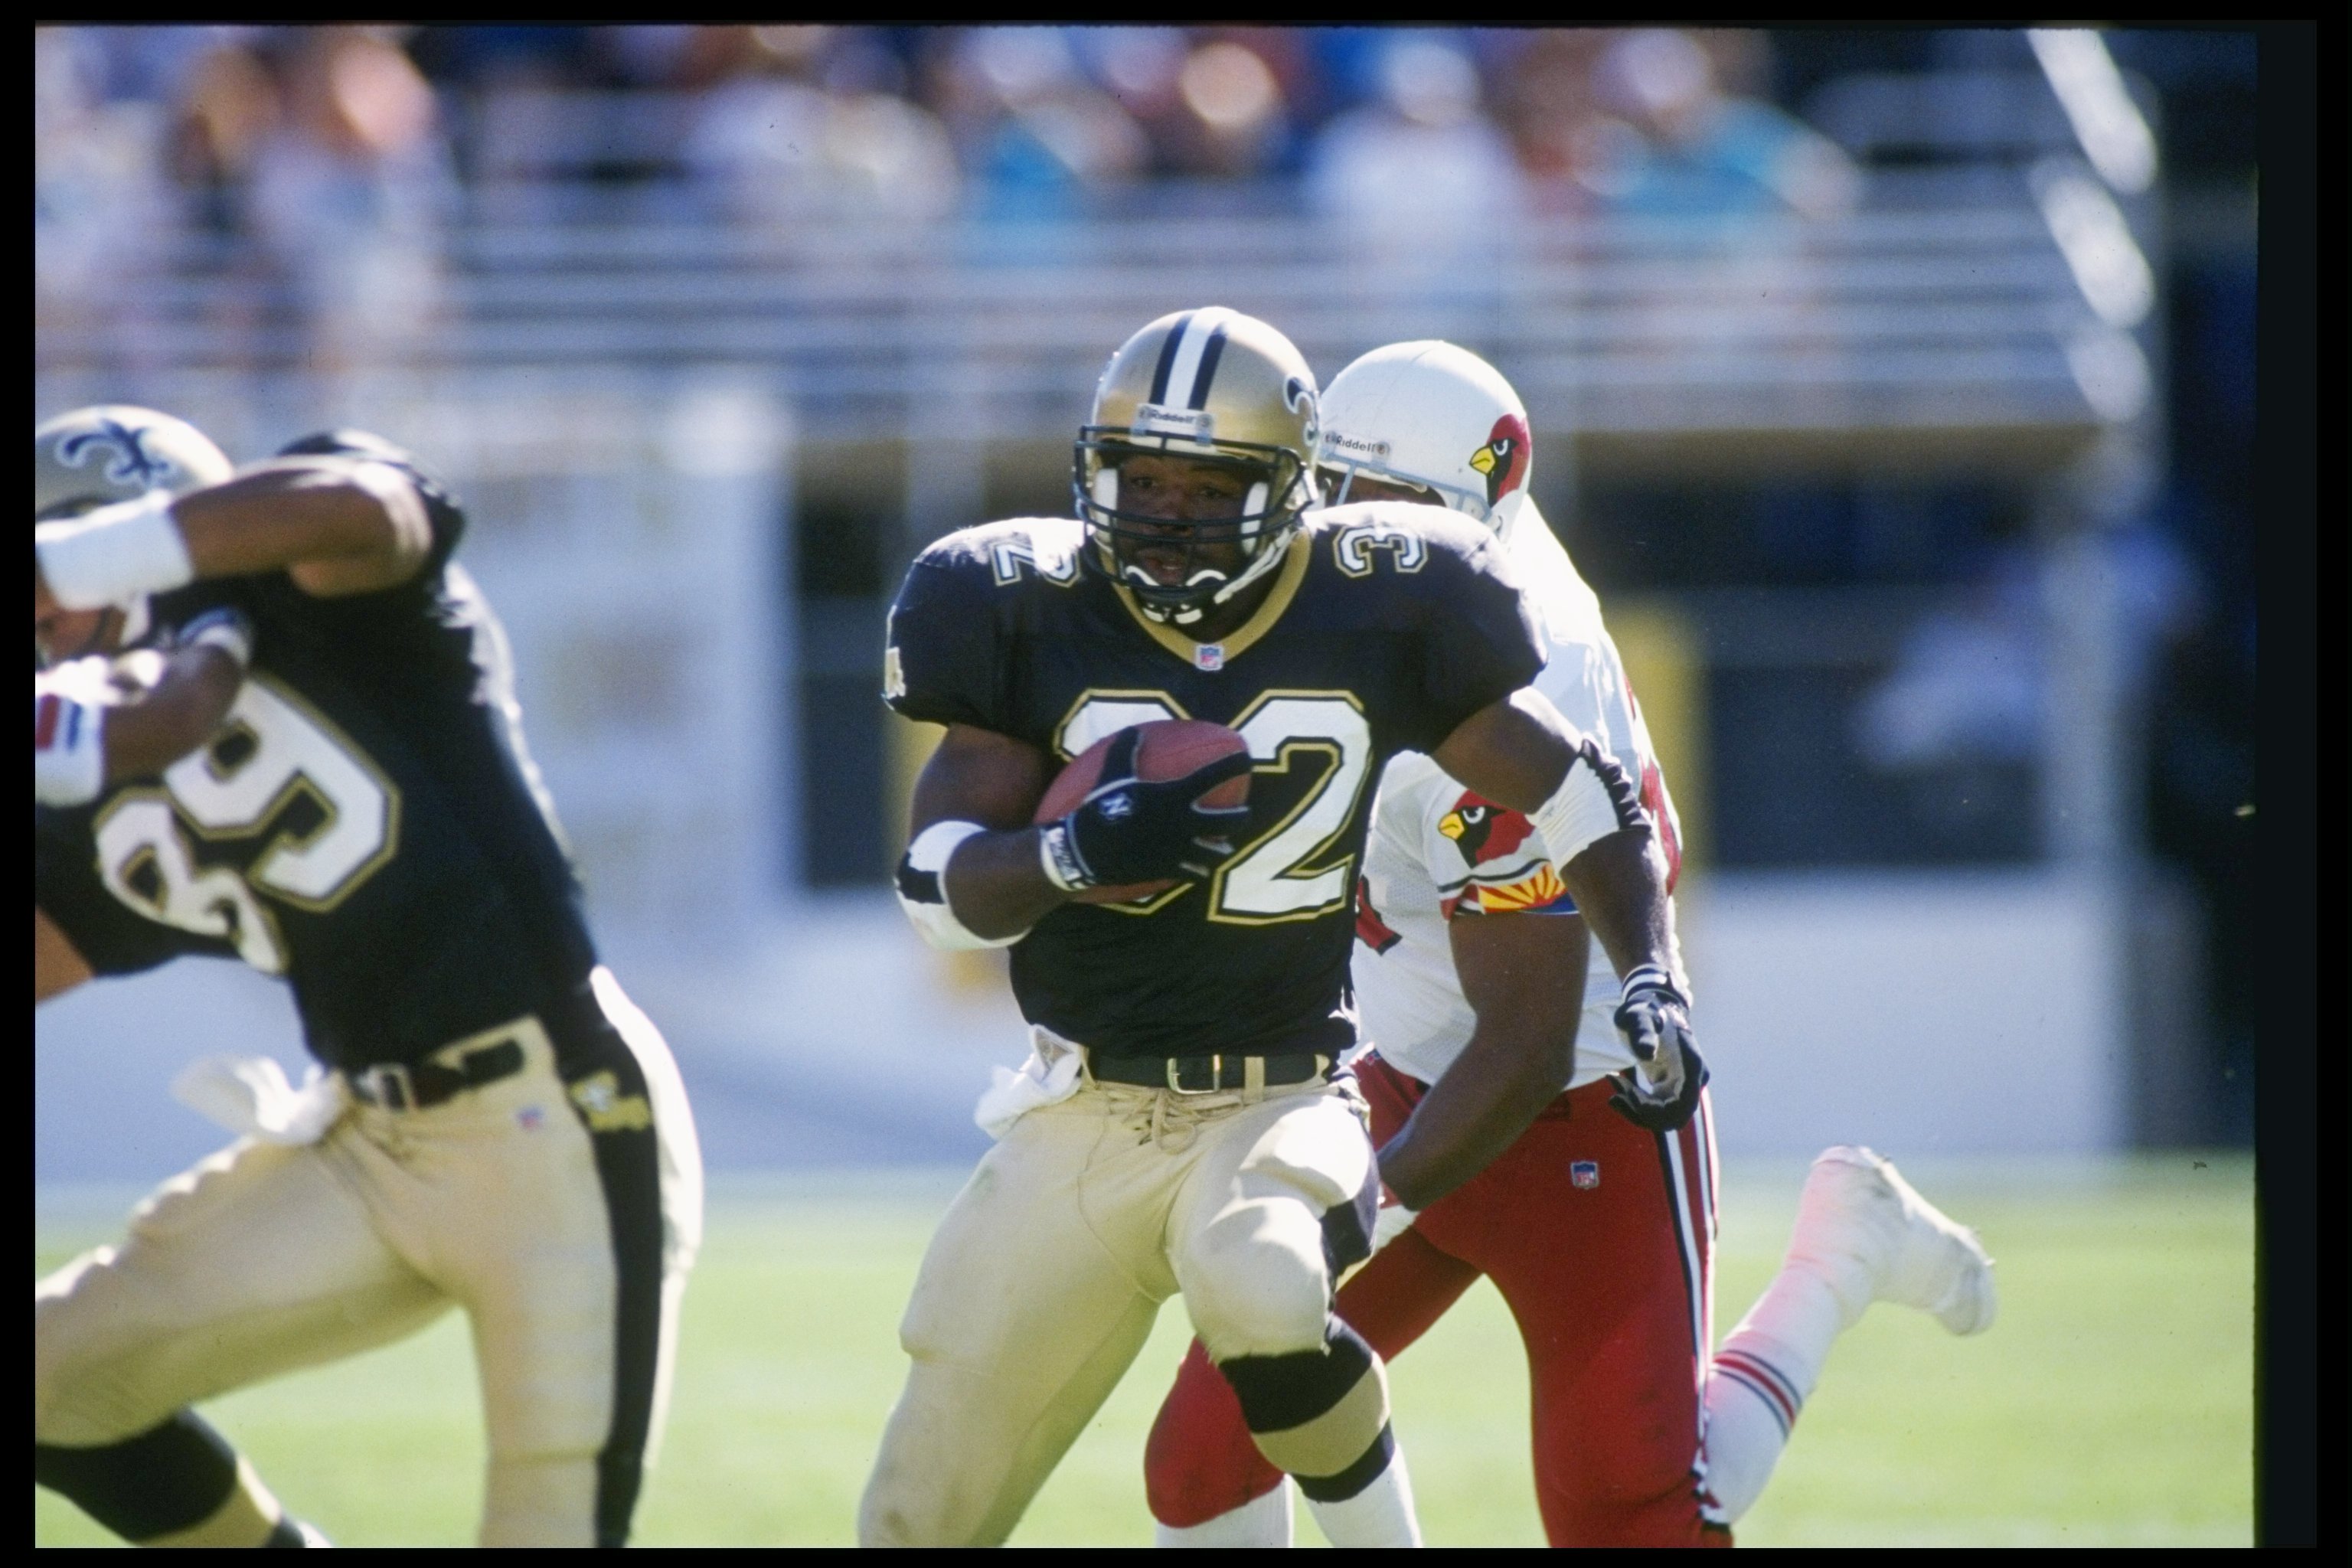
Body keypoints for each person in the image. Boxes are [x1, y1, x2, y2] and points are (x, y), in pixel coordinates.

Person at [1141, 342, 1998, 1547]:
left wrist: (1356, 1204)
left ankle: (1840, 1264)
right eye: (1336, 490)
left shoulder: (1513, 674)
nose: (1352, 533)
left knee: (1633, 1520)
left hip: (1569, 1108)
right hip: (1398, 1073)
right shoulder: (1351, 604)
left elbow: (1527, 1042)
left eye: (1395, 507)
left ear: (1477, 507)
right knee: (1203, 1458)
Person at [864, 306, 1684, 1548]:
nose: (1163, 516)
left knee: (1264, 1277)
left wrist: (1651, 976)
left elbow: (1580, 792)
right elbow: (935, 894)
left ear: (1289, 490)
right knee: (918, 1512)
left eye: (1207, 488)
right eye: (1139, 479)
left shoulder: (1388, 601)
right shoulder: (1016, 602)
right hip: (1079, 1104)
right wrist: (1069, 855)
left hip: (1281, 1089)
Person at [33, 408, 704, 1547]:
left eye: (52, 580)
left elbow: (373, 508)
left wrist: (76, 561)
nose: (45, 621)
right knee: (55, 1387)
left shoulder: (331, 600)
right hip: (364, 1145)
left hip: (562, 1122)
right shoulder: (95, 755)